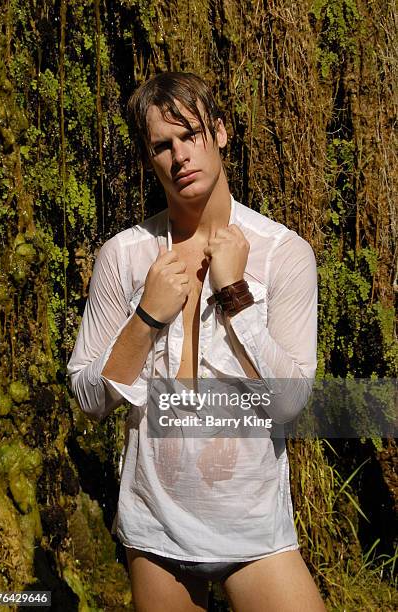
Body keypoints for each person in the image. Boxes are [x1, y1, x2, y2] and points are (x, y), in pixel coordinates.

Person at [67, 72, 326, 611]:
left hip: (253, 530)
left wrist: (235, 293)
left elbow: (291, 403)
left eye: (192, 135)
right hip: (155, 529)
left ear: (222, 132)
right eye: (163, 145)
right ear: (149, 158)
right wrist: (145, 317)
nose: (180, 155)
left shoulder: (284, 254)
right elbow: (89, 398)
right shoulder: (126, 255)